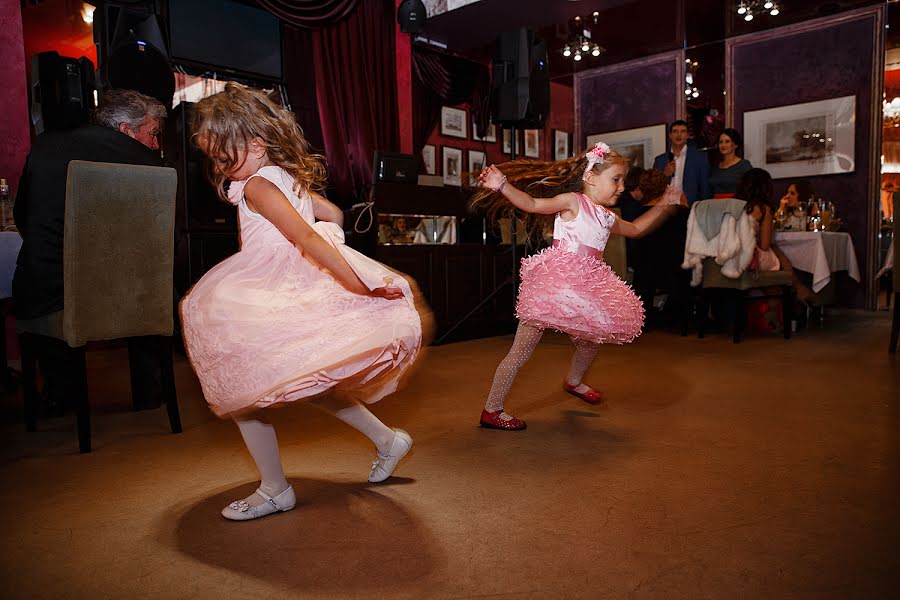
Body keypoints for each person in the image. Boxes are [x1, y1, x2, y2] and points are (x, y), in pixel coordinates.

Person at [180, 83, 425, 520]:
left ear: (256, 145)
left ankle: (275, 488)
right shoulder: (285, 177)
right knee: (315, 379)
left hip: (267, 290)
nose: (219, 166)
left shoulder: (256, 185)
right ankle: (388, 440)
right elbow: (332, 216)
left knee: (243, 391)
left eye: (223, 155)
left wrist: (353, 281)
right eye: (213, 157)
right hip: (284, 286)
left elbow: (307, 235)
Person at [471, 142, 684, 430]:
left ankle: (573, 381)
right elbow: (533, 204)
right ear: (591, 177)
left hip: (587, 285)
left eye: (623, 180)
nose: (621, 187)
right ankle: (492, 410)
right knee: (521, 350)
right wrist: (502, 185)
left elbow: (635, 229)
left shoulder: (608, 217)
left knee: (590, 341)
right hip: (555, 284)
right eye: (616, 179)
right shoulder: (573, 201)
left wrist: (663, 206)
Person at [13, 88, 168, 413]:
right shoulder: (147, 162)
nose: (156, 144)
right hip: (124, 295)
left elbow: (22, 216)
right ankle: (151, 388)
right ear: (126, 131)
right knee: (148, 272)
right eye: (153, 134)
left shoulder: (45, 144)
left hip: (48, 292)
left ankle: (60, 391)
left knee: (39, 269)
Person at [630, 169, 691, 325]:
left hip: (644, 270)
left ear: (643, 190)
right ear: (665, 188)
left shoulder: (637, 216)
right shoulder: (680, 212)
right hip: (676, 268)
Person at [653, 120, 711, 205]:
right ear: (670, 135)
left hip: (690, 208)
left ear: (687, 135)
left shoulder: (700, 158)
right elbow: (652, 189)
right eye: (675, 131)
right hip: (665, 209)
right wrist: (664, 175)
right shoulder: (660, 160)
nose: (679, 135)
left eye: (683, 131)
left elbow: (705, 189)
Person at [708, 128, 752, 198]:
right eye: (720, 142)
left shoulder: (744, 165)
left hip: (735, 206)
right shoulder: (715, 168)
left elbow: (750, 190)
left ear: (735, 145)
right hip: (715, 206)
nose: (723, 145)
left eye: (727, 141)